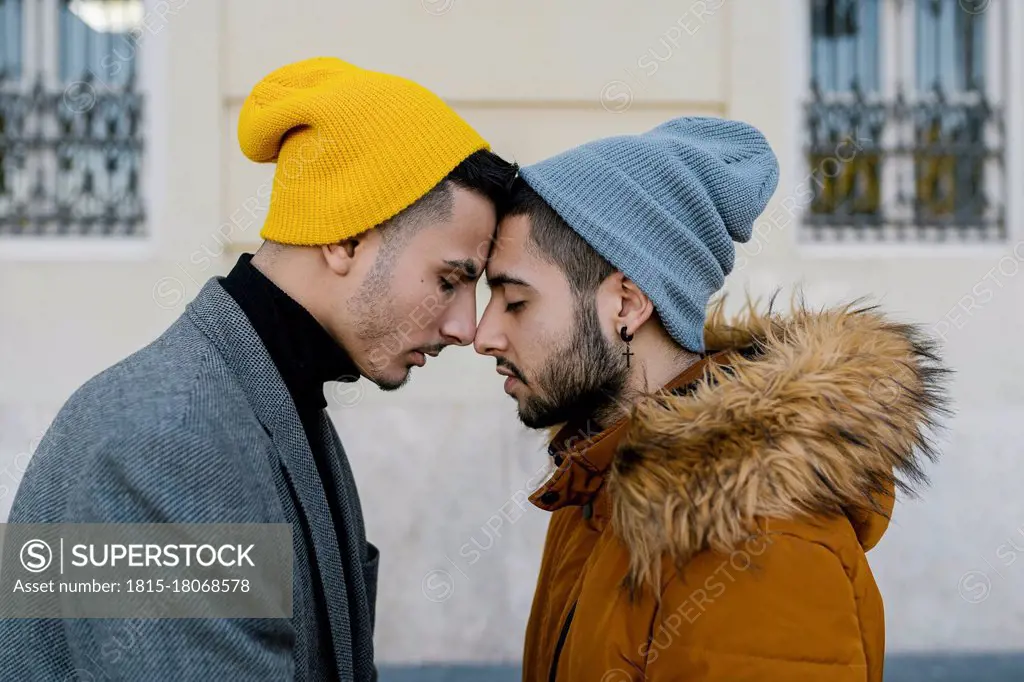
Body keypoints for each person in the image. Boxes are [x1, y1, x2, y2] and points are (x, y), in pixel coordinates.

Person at [1, 57, 516, 681]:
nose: (466, 327)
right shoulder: (164, 437)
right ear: (346, 238)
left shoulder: (274, 397)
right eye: (449, 280)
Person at [474, 117, 949, 681]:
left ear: (626, 304)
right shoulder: (596, 479)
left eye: (516, 301)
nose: (483, 335)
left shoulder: (762, 537)